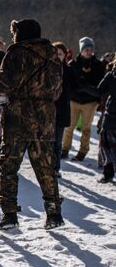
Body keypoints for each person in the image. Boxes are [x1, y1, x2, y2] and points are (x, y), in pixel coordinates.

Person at [0, 19, 64, 230]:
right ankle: (54, 213)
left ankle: (10, 215)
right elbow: (57, 91)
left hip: (18, 120)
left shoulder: (16, 53)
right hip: (44, 120)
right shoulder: (53, 55)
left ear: (21, 33)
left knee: (9, 167)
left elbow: (4, 84)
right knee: (45, 168)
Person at [62, 37, 104, 161]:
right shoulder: (73, 64)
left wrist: (86, 88)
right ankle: (65, 149)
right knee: (69, 127)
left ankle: (83, 151)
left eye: (90, 49)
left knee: (86, 128)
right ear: (81, 50)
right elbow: (68, 83)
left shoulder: (98, 65)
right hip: (74, 100)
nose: (88, 51)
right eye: (86, 49)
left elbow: (100, 85)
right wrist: (74, 91)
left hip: (90, 102)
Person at [53, 42, 73, 179]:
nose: (57, 56)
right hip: (47, 110)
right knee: (45, 142)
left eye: (59, 54)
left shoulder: (69, 70)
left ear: (65, 55)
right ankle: (45, 167)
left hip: (62, 110)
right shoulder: (46, 69)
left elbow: (75, 86)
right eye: (55, 54)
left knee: (57, 142)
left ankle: (56, 168)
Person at [97, 58, 116, 184]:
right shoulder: (111, 75)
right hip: (111, 114)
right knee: (106, 145)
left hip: (111, 114)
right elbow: (99, 89)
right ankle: (108, 173)